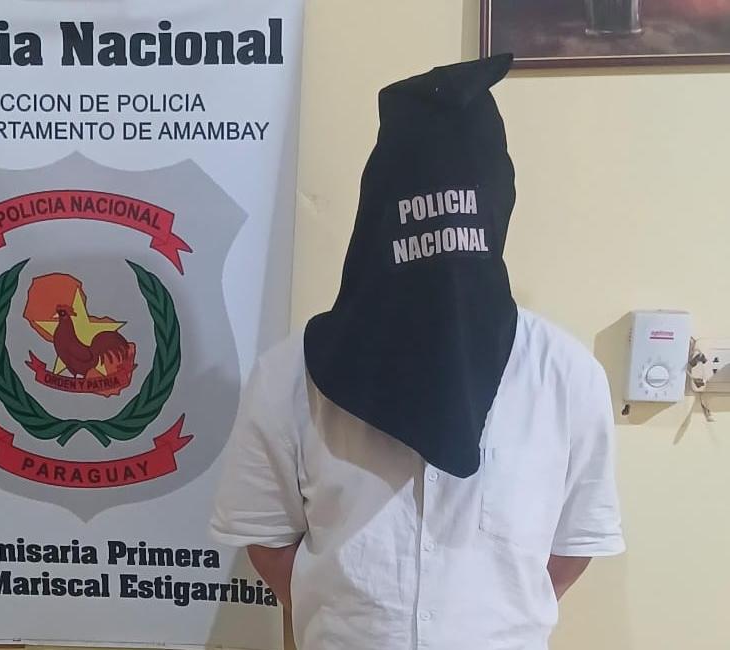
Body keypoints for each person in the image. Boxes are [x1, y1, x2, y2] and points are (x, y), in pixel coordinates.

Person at [210, 54, 624, 650]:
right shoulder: (290, 377)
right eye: (422, 216)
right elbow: (268, 538)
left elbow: (572, 543)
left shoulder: (566, 377)